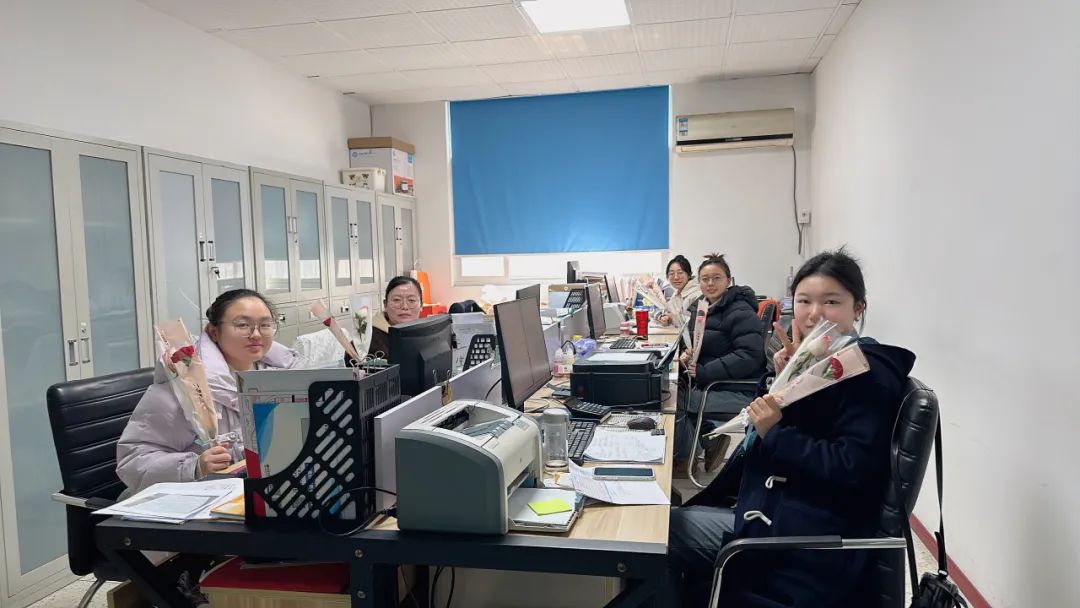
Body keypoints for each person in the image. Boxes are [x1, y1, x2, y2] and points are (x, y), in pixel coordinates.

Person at [667, 249, 916, 608]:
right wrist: (781, 378)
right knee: (669, 520)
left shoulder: (864, 374)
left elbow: (853, 468)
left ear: (858, 308)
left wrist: (775, 431)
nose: (815, 313)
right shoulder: (825, 363)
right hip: (776, 508)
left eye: (831, 302)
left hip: (800, 538)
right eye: (804, 301)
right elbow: (766, 422)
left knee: (657, 534)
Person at [117, 289, 300, 494]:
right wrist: (195, 467)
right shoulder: (184, 386)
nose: (256, 334)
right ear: (213, 332)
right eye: (243, 325)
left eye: (265, 325)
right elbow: (133, 460)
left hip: (256, 490)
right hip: (193, 499)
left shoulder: (284, 375)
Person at [675, 253, 765, 476]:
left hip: (739, 390)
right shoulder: (704, 307)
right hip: (716, 383)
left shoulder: (740, 310)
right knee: (676, 389)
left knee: (676, 402)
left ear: (728, 280)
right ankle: (711, 441)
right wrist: (689, 353)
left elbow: (749, 355)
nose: (710, 283)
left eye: (716, 278)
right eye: (705, 279)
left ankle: (685, 461)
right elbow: (705, 344)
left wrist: (704, 371)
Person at [361, 275, 423, 360]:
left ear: (421, 305)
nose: (404, 307)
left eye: (411, 300)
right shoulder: (367, 337)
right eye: (397, 300)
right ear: (385, 305)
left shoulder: (427, 332)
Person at [655, 254, 701, 328]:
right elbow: (666, 311)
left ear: (689, 274)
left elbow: (695, 323)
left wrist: (672, 318)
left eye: (680, 273)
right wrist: (664, 317)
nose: (676, 277)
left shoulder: (697, 294)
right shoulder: (676, 294)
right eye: (671, 273)